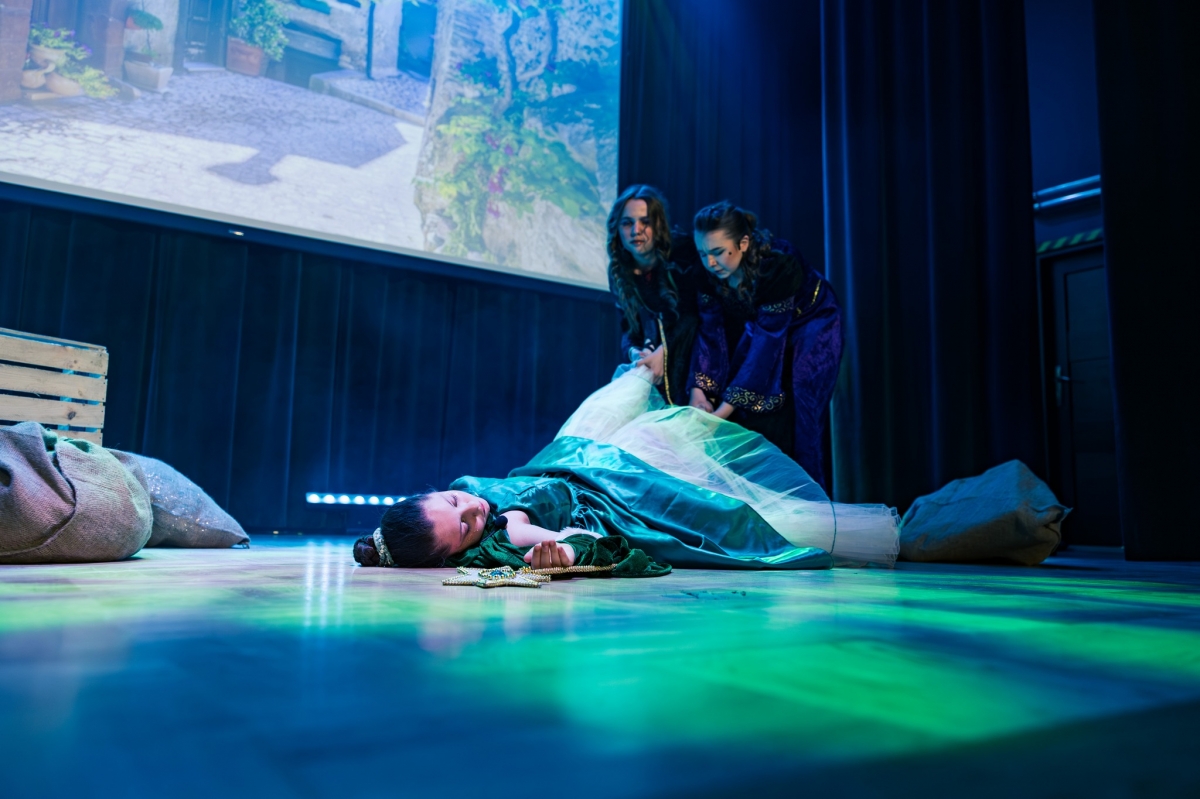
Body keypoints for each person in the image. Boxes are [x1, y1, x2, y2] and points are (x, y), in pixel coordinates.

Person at [353, 366, 898, 571]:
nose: (473, 509)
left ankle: (655, 361)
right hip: (605, 486)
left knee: (636, 384)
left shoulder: (468, 490)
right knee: (703, 494)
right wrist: (565, 551)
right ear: (458, 553)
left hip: (574, 458)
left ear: (436, 492)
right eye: (465, 527)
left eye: (454, 502)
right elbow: (568, 537)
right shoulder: (506, 532)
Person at [687, 201, 842, 491]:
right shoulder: (707, 272)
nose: (710, 262)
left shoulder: (777, 266)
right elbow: (710, 333)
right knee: (740, 389)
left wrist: (720, 415)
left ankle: (808, 500)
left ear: (743, 243)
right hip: (763, 324)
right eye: (703, 253)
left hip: (811, 322)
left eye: (718, 252)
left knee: (803, 401)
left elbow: (766, 345)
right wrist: (700, 392)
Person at [606, 185, 702, 405]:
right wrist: (635, 353)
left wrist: (664, 351)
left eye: (645, 222)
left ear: (659, 225)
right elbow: (629, 328)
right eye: (627, 223)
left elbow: (694, 317)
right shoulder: (619, 271)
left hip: (695, 363)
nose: (636, 230)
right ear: (617, 229)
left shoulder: (683, 255)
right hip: (655, 365)